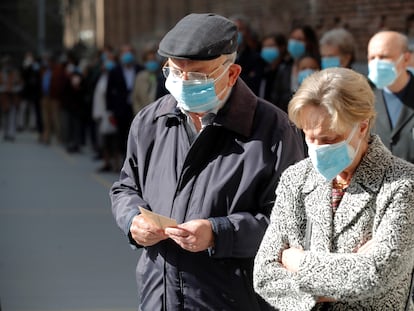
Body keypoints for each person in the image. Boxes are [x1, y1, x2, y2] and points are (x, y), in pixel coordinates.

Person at [110, 13, 305, 310]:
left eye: (198, 75)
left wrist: (218, 233)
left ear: (232, 73)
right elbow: (125, 187)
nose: (184, 83)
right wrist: (132, 222)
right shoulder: (151, 121)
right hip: (160, 295)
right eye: (175, 72)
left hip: (233, 299)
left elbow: (290, 224)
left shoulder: (273, 130)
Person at [253, 67, 414, 310]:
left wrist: (298, 262)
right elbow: (264, 276)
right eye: (309, 137)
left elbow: (376, 274)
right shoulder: (296, 179)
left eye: (329, 139)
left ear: (361, 126)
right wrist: (350, 269)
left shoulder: (402, 183)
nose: (317, 148)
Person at [367, 30, 414, 164]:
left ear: (405, 59)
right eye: (372, 58)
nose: (377, 63)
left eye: (383, 57)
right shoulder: (364, 97)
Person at [271, 24, 320, 112]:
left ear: (308, 43)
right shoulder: (284, 67)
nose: (295, 42)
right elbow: (276, 97)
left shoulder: (315, 65)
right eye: (293, 38)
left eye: (300, 39)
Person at [259, 32, 289, 101]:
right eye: (264, 46)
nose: (267, 49)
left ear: (281, 47)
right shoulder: (264, 70)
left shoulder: (286, 69)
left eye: (271, 46)